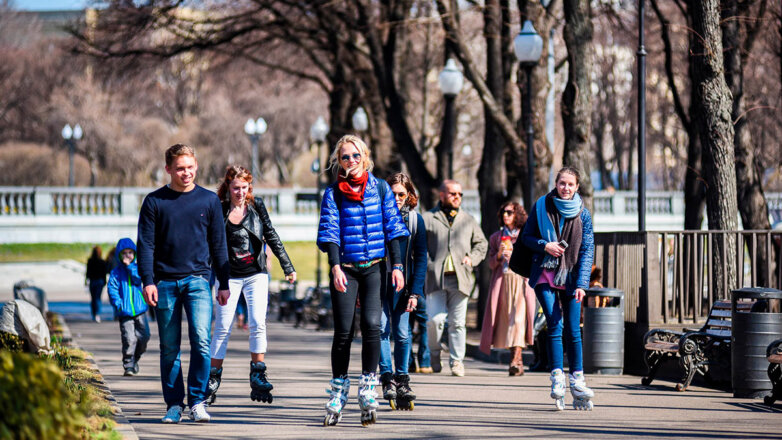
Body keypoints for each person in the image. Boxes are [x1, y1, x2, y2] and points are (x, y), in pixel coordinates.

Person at [317, 135, 409, 426]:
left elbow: (393, 228)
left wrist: (396, 266)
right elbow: (330, 230)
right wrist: (334, 266)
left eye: (356, 156)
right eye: (345, 157)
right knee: (343, 330)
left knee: (372, 325)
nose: (351, 162)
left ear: (365, 157)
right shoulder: (333, 193)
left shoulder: (380, 188)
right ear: (339, 162)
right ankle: (339, 387)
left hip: (374, 268)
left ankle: (368, 384)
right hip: (346, 267)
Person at [137, 144, 231, 424]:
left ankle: (198, 401)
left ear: (197, 166)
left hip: (198, 282)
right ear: (168, 169)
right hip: (164, 283)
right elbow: (146, 246)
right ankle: (174, 404)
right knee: (169, 348)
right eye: (180, 168)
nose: (186, 172)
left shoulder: (209, 201)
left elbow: (218, 244)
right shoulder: (155, 202)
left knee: (202, 343)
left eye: (190, 167)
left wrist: (224, 283)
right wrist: (148, 281)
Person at [206, 165, 297, 406]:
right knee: (223, 327)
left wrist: (288, 266)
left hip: (256, 274)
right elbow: (211, 244)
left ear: (249, 187)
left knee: (258, 322)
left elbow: (271, 235)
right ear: (228, 186)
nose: (240, 192)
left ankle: (258, 372)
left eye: (244, 188)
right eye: (235, 188)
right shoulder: (219, 208)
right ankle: (213, 377)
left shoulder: (257, 207)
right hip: (228, 277)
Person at [521, 166, 595, 411]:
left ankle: (578, 379)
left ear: (577, 187)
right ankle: (557, 378)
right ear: (556, 183)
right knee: (555, 324)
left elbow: (587, 250)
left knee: (573, 330)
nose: (566, 188)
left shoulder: (583, 214)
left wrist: (583, 284)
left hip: (572, 278)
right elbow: (526, 237)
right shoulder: (542, 205)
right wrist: (545, 245)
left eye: (570, 184)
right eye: (562, 183)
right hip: (545, 273)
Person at [423, 179, 488, 377]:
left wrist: (472, 258)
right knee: (435, 320)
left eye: (459, 194)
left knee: (458, 323)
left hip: (461, 278)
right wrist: (428, 264)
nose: (457, 197)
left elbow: (481, 244)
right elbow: (419, 246)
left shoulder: (468, 220)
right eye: (452, 194)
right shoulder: (427, 218)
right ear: (442, 195)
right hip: (435, 278)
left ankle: (456, 361)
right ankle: (434, 352)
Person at [378, 173, 427, 410]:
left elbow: (421, 260)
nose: (397, 198)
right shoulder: (376, 216)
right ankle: (387, 378)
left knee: (403, 333)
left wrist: (415, 292)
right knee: (381, 329)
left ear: (409, 195)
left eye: (401, 194)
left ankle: (403, 379)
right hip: (377, 283)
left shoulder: (416, 221)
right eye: (393, 193)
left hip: (403, 286)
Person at [479, 201, 536, 376]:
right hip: (502, 282)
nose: (505, 215)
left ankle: (515, 360)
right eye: (503, 212)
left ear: (517, 215)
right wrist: (498, 255)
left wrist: (515, 256)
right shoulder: (496, 237)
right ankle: (516, 361)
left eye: (510, 212)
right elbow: (490, 264)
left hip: (520, 281)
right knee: (505, 321)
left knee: (518, 320)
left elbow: (532, 259)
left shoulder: (525, 235)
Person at [106, 237, 150, 376]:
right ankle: (128, 365)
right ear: (119, 255)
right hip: (124, 312)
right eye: (124, 253)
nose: (128, 256)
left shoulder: (137, 269)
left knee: (144, 336)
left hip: (139, 310)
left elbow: (139, 279)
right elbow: (112, 289)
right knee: (129, 338)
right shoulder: (116, 272)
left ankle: (135, 358)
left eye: (130, 253)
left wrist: (130, 266)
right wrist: (118, 304)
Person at [85, 246, 108, 322]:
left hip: (92, 281)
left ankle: (94, 314)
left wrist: (86, 280)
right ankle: (97, 314)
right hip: (100, 281)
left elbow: (88, 272)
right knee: (98, 298)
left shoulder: (90, 261)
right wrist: (104, 281)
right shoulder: (102, 261)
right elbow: (104, 273)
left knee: (93, 298)